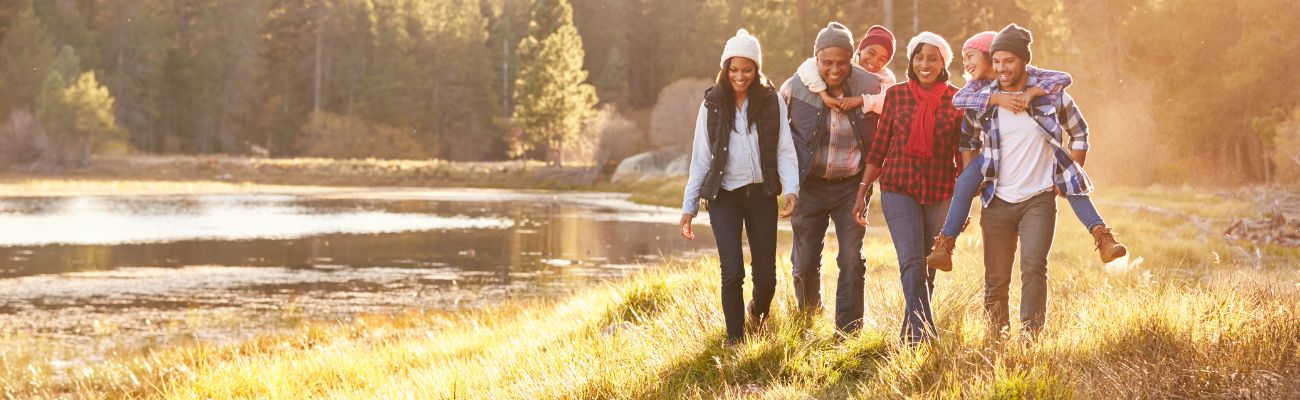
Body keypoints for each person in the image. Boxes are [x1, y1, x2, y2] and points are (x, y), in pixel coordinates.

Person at [925, 30, 1126, 271]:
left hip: (1037, 156)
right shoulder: (977, 87)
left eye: (970, 56)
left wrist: (1032, 92)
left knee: (1070, 179)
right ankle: (945, 244)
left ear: (989, 55)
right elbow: (960, 103)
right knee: (965, 181)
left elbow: (1062, 78)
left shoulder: (1030, 77)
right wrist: (997, 99)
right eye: (964, 58)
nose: (966, 63)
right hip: (992, 157)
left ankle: (1102, 236)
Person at [959, 24, 1105, 336]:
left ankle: (1030, 337)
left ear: (1024, 61)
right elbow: (967, 141)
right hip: (996, 199)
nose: (1002, 68)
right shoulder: (983, 100)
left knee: (1034, 269)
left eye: (1009, 61)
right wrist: (976, 177)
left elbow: (1079, 132)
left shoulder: (1051, 97)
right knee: (996, 278)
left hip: (1038, 199)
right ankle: (996, 337)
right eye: (996, 61)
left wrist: (1067, 173)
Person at [680, 29, 800, 345]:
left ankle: (757, 313)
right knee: (732, 272)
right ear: (725, 68)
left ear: (756, 69)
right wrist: (689, 208)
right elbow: (700, 159)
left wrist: (791, 189)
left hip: (761, 195)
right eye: (733, 69)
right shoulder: (711, 104)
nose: (739, 76)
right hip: (724, 198)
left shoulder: (772, 102)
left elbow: (785, 150)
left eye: (747, 69)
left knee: (767, 278)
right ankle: (736, 342)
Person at [852, 32, 963, 344]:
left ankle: (909, 338)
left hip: (940, 192)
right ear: (911, 61)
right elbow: (879, 147)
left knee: (928, 267)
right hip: (898, 189)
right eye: (919, 57)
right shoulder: (897, 95)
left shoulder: (957, 100)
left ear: (943, 63)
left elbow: (962, 156)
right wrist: (862, 192)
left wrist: (962, 204)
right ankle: (927, 336)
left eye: (932, 58)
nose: (925, 64)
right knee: (911, 263)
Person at [780, 22, 882, 334]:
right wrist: (784, 182)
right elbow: (776, 133)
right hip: (809, 184)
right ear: (816, 60)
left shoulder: (870, 85)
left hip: (851, 185)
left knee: (851, 259)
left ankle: (848, 330)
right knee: (805, 261)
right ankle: (809, 315)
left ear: (852, 59)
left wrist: (867, 187)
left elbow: (891, 113)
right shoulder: (795, 86)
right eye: (827, 62)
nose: (834, 69)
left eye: (842, 62)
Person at [795, 25, 898, 115]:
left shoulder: (886, 77)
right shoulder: (845, 61)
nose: (875, 61)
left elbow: (890, 102)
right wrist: (824, 95)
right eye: (871, 53)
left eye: (882, 59)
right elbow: (807, 67)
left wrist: (861, 100)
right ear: (861, 49)